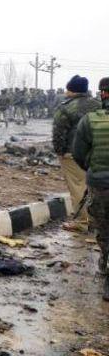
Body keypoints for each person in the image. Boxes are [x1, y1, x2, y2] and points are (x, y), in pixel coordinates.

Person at [72, 77, 109, 301]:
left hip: (101, 184)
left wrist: (92, 167)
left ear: (102, 94)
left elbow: (78, 153)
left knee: (104, 230)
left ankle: (105, 264)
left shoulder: (90, 120)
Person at [53, 75, 102, 231]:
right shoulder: (99, 105)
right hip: (97, 152)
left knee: (78, 186)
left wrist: (60, 151)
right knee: (96, 187)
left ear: (72, 90)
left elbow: (59, 132)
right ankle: (97, 219)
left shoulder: (66, 107)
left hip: (72, 153)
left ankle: (83, 222)